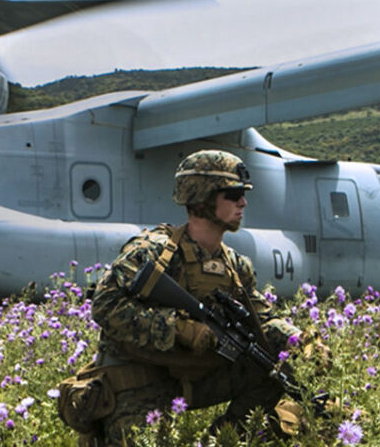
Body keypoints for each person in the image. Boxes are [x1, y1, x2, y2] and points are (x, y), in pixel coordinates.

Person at [71, 150, 310, 445]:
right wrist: (178, 329)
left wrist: (300, 341)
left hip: (189, 377)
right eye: (233, 194)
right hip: (137, 380)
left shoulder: (235, 267)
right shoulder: (154, 252)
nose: (243, 202)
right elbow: (105, 306)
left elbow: (262, 318)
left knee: (272, 370)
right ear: (203, 197)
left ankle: (221, 441)